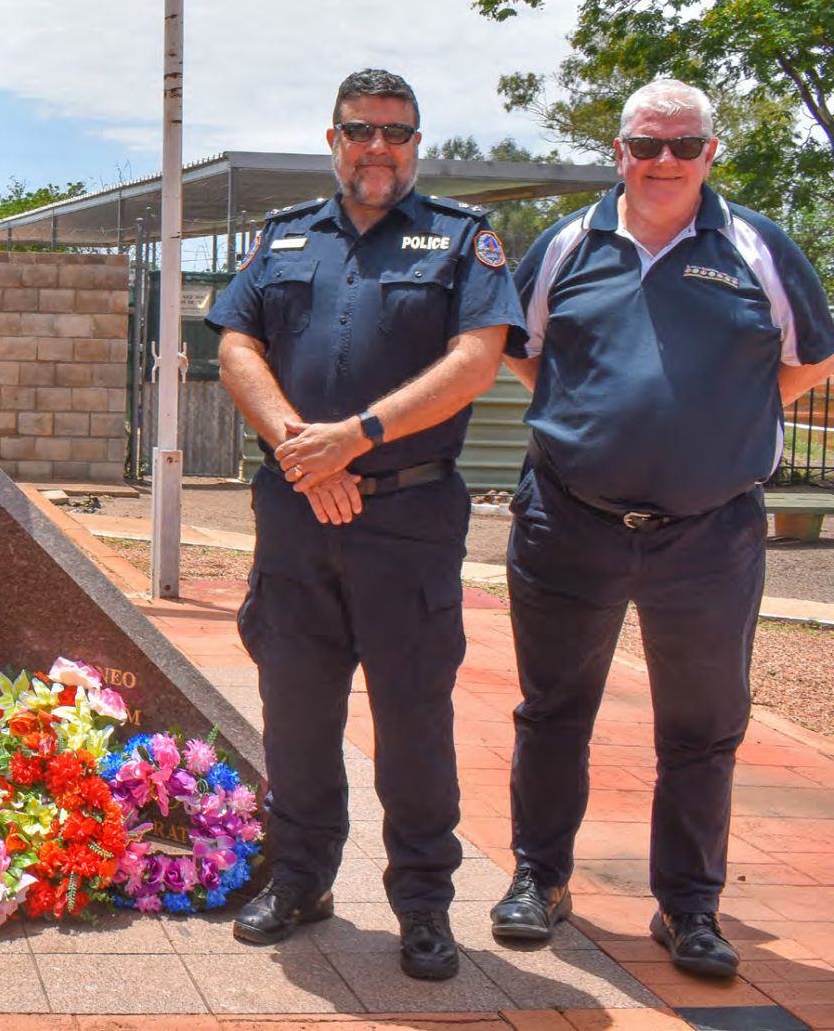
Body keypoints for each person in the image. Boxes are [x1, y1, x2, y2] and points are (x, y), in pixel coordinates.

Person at [491, 78, 834, 977]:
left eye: (684, 146)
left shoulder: (756, 245)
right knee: (554, 712)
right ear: (620, 152)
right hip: (570, 522)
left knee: (702, 725)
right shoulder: (569, 244)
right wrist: (588, 428)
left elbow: (809, 361)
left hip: (709, 534)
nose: (664, 162)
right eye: (647, 146)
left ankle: (688, 909)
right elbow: (518, 353)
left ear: (712, 153)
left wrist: (719, 432)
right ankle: (540, 877)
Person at [206, 69, 523, 980]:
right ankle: (300, 879)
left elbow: (476, 362)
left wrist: (359, 437)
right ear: (334, 140)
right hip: (300, 514)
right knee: (295, 710)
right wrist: (302, 450)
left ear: (417, 143)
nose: (376, 147)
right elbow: (236, 344)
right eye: (359, 130)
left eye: (395, 132)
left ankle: (424, 904)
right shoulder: (284, 237)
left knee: (414, 719)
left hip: (409, 515)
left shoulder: (463, 241)